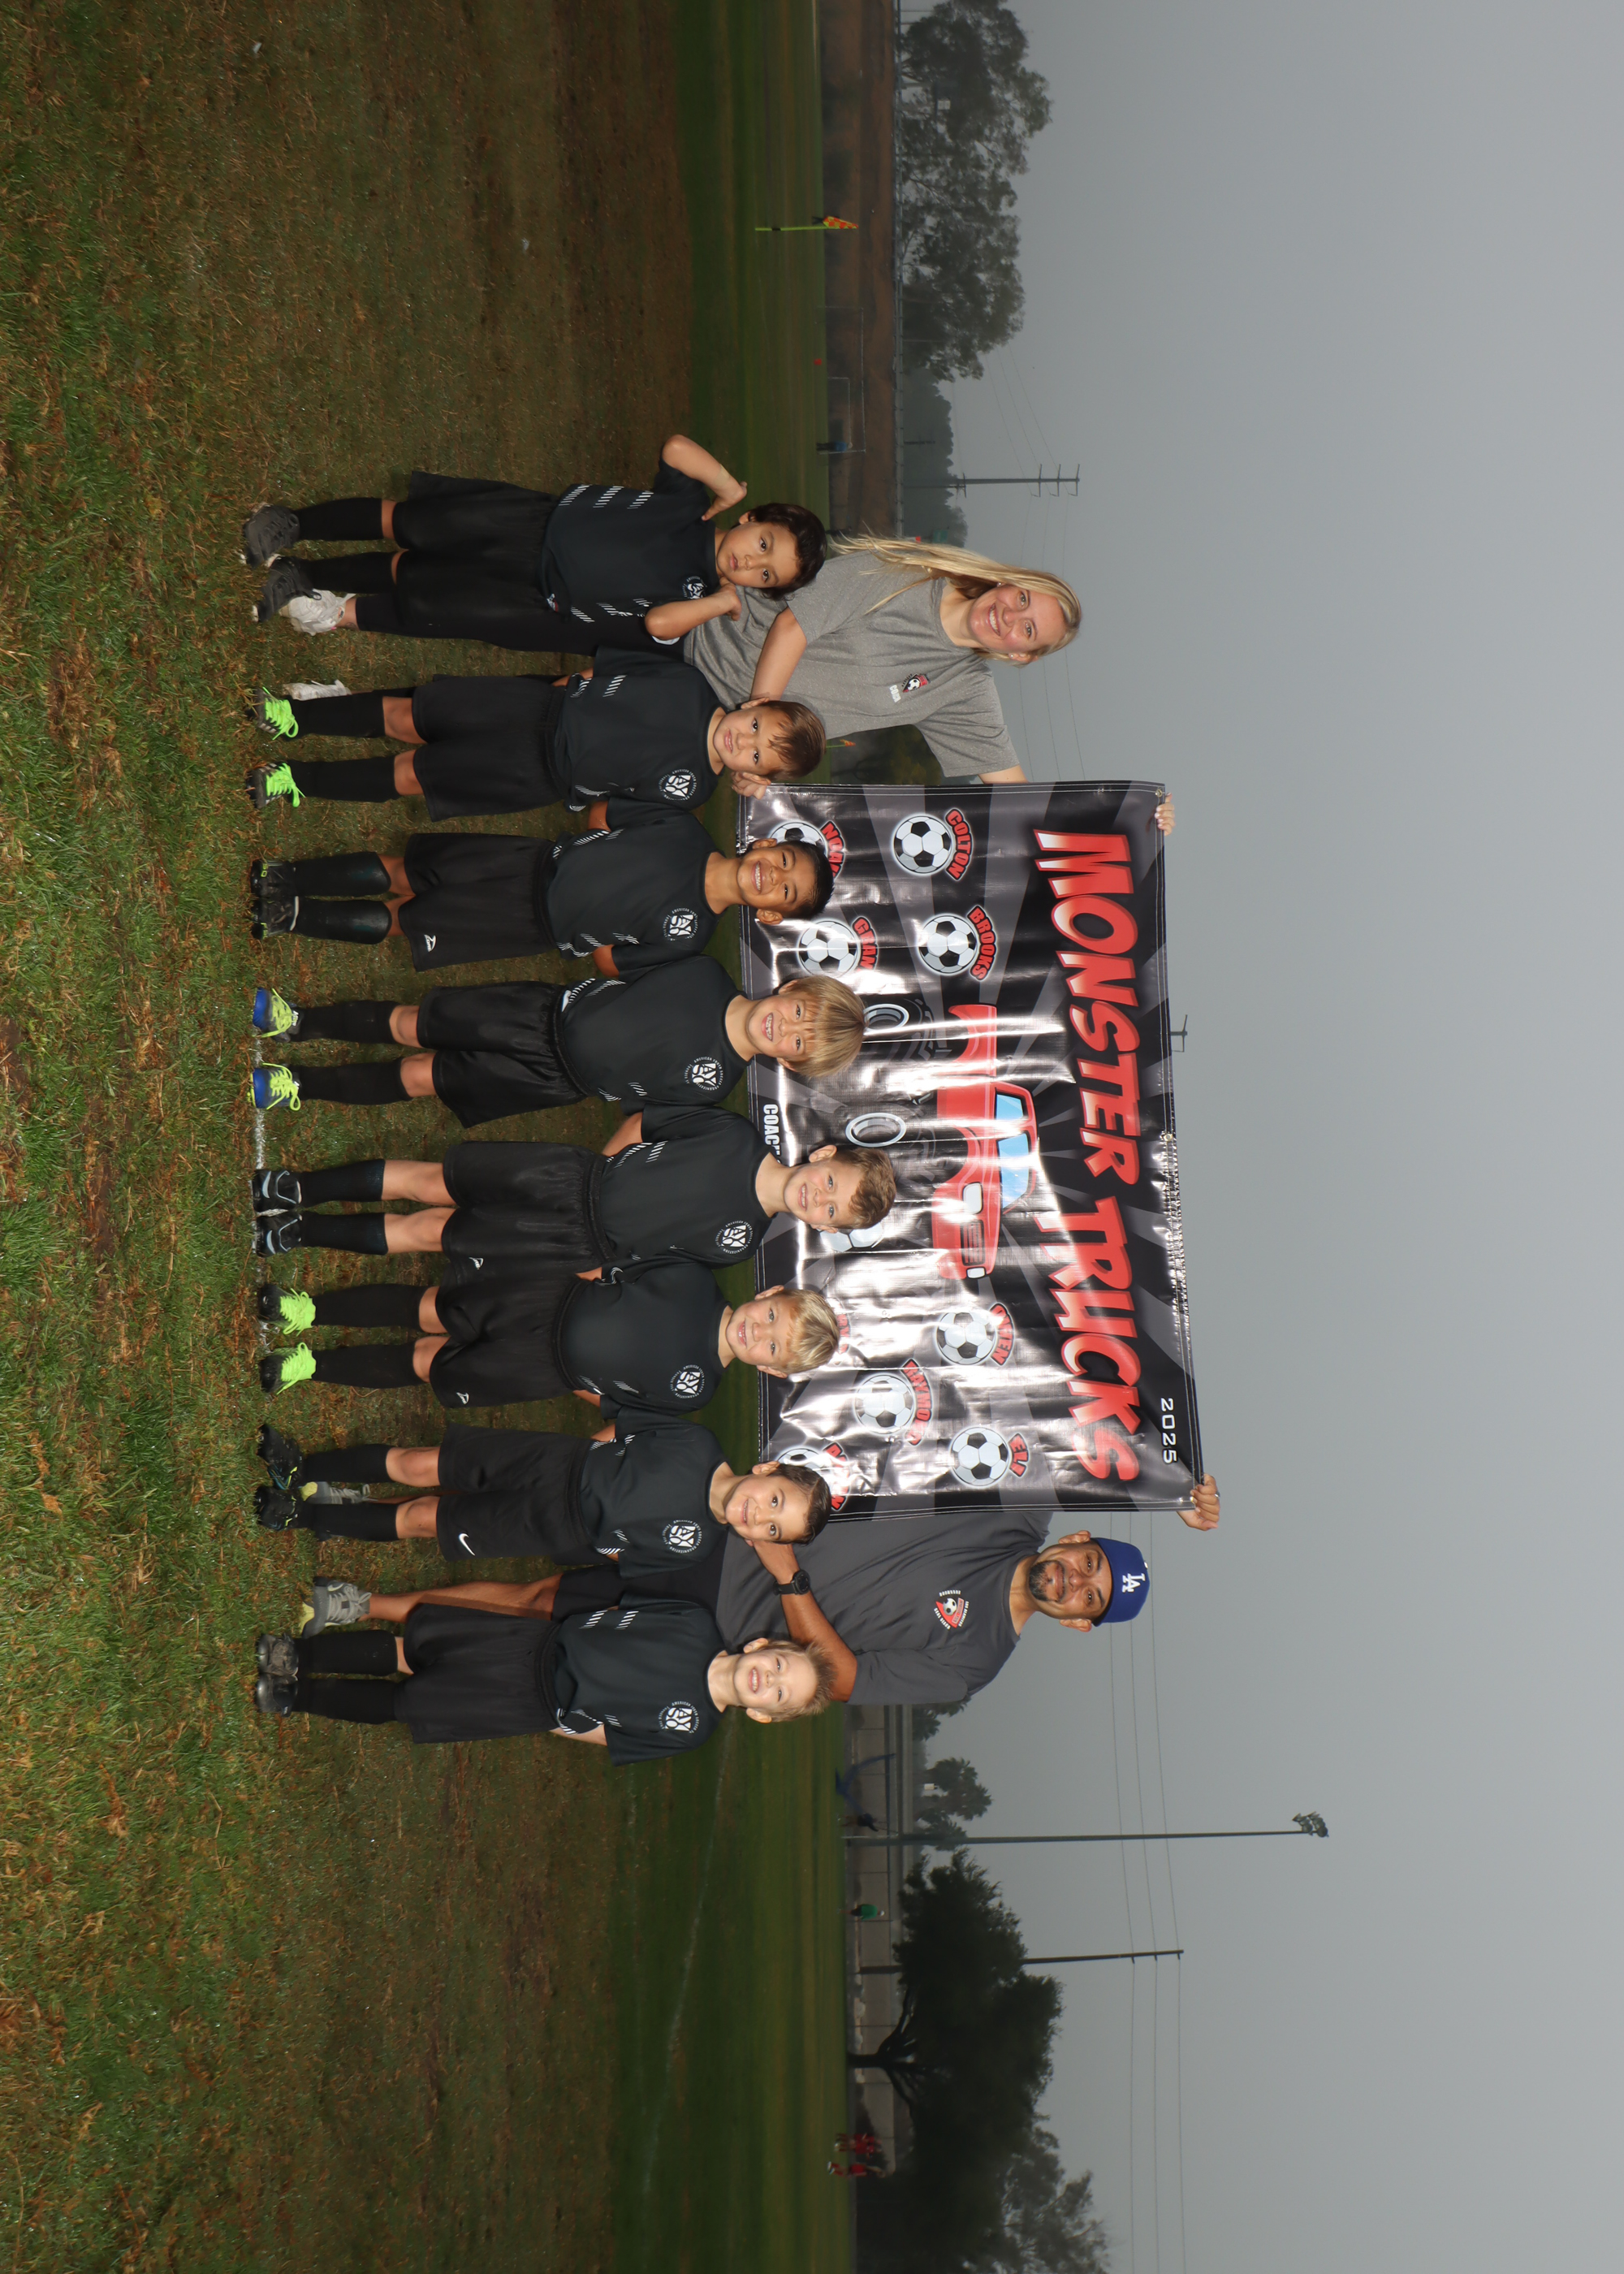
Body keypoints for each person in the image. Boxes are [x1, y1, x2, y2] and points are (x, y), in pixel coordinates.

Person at [526, 1477, 1221, 1707]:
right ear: (1076, 1539)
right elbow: (1073, 1434)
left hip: (729, 1635)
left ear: (1076, 1624)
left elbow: (843, 1681)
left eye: (1090, 1598)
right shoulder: (1015, 1509)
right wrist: (1169, 1493)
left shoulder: (974, 1663)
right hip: (732, 1533)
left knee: (548, 1616)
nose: (1075, 1581)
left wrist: (786, 1576)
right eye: (1089, 1563)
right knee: (553, 1535)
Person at [242, 434, 824, 647]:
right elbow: (675, 449)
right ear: (753, 519)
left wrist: (720, 602)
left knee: (413, 577)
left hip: (532, 591)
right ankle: (293, 524)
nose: (750, 562)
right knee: (410, 523)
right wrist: (726, 484)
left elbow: (657, 625)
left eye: (764, 575)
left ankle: (304, 577)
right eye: (764, 544)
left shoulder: (697, 593)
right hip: (530, 522)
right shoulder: (690, 507)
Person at [640, 535, 1078, 786]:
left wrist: (1128, 820)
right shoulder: (910, 574)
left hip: (704, 723)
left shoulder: (965, 692)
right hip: (691, 636)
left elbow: (1017, 798)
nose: (1010, 616)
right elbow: (793, 627)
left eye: (1028, 630)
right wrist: (761, 725)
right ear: (1008, 582)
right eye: (1023, 598)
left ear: (1021, 654)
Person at [245, 962, 866, 1123]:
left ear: (790, 1062)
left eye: (798, 1042)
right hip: (536, 1014)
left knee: (420, 1077)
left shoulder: (716, 1086)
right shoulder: (705, 975)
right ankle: (300, 1020)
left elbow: (641, 1108)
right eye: (799, 1013)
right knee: (414, 1024)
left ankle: (298, 1084)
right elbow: (626, 966)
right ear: (791, 987)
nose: (785, 1028)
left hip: (552, 1079)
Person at [252, 1584, 834, 1755]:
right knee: (416, 1651)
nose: (771, 1679)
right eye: (780, 1664)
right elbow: (625, 1612)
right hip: (533, 1646)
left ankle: (297, 1699)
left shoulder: (694, 1730)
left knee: (410, 1705)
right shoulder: (696, 1620)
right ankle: (297, 1657)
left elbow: (613, 1735)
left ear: (763, 1714)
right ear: (762, 1644)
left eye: (780, 1694)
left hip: (531, 1704)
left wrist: (556, 1722)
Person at [245, 1115, 896, 1268]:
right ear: (823, 1154)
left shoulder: (740, 1244)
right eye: (830, 1183)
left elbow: (656, 1256)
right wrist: (602, 1174)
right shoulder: (735, 1135)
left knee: (432, 1233)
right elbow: (645, 1124)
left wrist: (599, 1260)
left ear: (826, 1228)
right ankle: (298, 1186)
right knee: (430, 1180)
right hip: (570, 1176)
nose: (818, 1198)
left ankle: (300, 1232)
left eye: (830, 1210)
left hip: (570, 1241)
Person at [244, 806, 831, 971]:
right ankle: (287, 877)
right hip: (527, 863)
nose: (773, 877)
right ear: (763, 843)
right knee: (407, 872)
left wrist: (584, 925)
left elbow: (612, 960)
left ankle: (291, 918)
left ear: (770, 916)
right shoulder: (683, 827)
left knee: (410, 920)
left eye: (784, 892)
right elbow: (605, 814)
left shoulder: (692, 938)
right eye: (783, 861)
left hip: (529, 926)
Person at [244, 654, 823, 817]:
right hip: (534, 709)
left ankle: (295, 779)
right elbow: (608, 670)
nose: (743, 742)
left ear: (756, 773)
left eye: (756, 756)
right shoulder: (689, 684)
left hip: (535, 774)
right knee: (407, 716)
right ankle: (294, 717)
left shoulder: (693, 790)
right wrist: (561, 693)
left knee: (413, 775)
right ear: (756, 702)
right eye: (756, 727)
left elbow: (615, 807)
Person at [253, 1409, 833, 1567]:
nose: (759, 1515)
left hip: (550, 1528)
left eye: (772, 1528)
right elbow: (625, 1429)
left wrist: (581, 1532)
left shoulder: (698, 1546)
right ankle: (300, 1469)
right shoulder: (698, 1443)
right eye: (774, 1501)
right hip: (553, 1463)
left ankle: (301, 1516)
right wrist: (582, 1461)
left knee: (424, 1518)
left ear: (760, 1541)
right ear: (767, 1471)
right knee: (420, 1464)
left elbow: (622, 1555)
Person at [255, 1258, 840, 1415]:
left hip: (541, 1371)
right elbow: (613, 1269)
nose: (757, 1332)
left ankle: (310, 1367)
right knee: (432, 1309)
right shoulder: (694, 1279)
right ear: (769, 1294)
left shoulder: (697, 1391)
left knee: (429, 1363)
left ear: (770, 1369)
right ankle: (308, 1310)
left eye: (771, 1346)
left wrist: (566, 1376)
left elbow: (617, 1399)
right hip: (545, 1300)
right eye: (772, 1317)